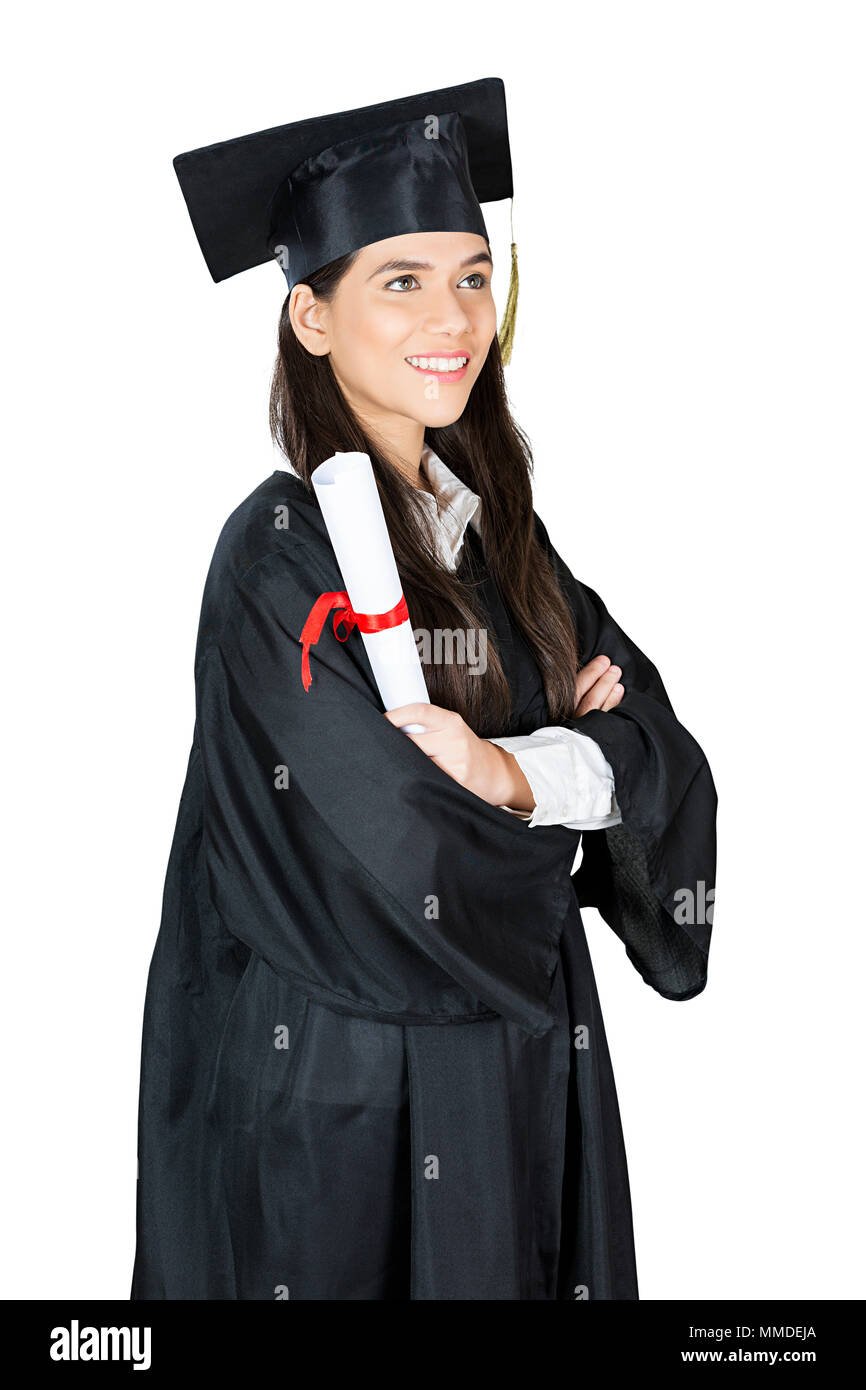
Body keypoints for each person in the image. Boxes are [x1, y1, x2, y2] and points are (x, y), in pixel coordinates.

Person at [131, 77, 717, 1301]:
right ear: (309, 316)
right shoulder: (276, 558)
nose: (452, 315)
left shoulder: (498, 535)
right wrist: (574, 779)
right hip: (345, 1111)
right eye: (399, 280)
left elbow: (663, 749)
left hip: (518, 1083)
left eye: (469, 274)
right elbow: (388, 847)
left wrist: (508, 770)